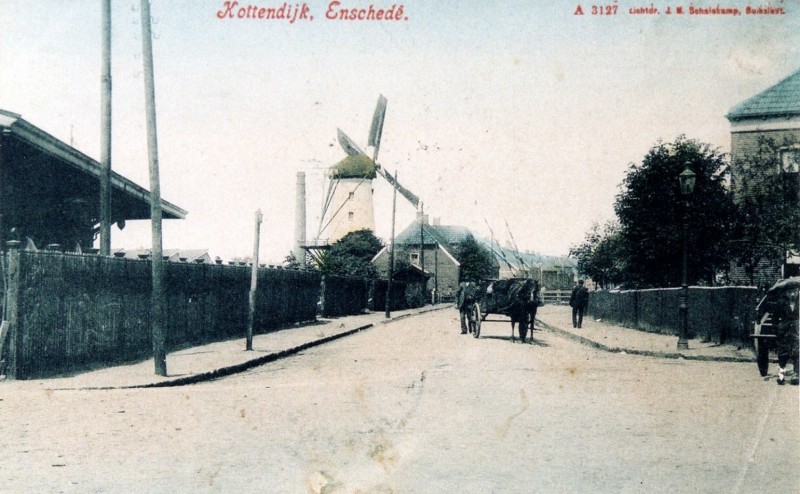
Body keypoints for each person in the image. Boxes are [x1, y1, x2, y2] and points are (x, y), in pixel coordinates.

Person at [773, 289, 799, 385]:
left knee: (797, 351)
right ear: (786, 292)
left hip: (796, 329)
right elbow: (774, 317)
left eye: (795, 291)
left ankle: (796, 374)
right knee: (783, 351)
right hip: (784, 330)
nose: (792, 293)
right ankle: (781, 374)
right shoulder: (781, 302)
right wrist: (777, 328)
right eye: (790, 291)